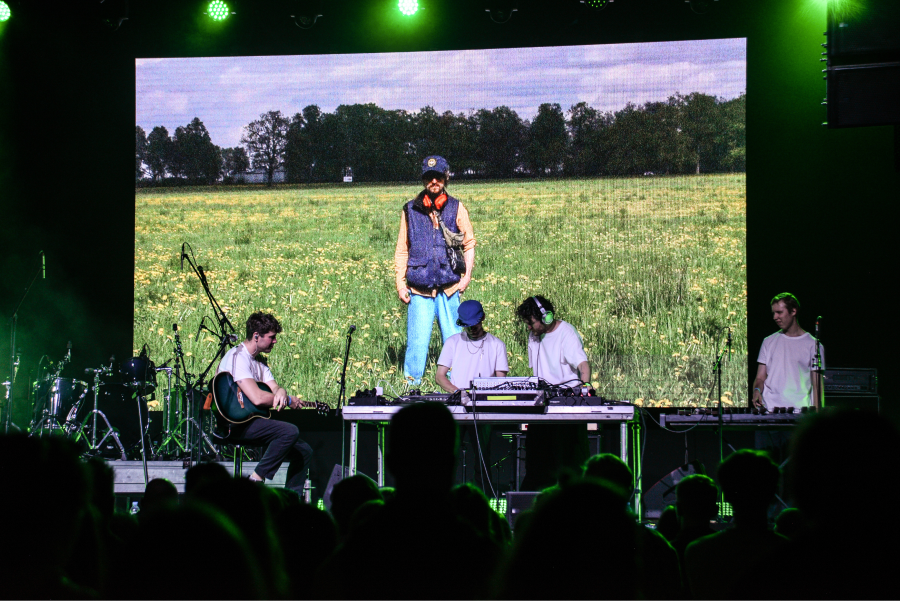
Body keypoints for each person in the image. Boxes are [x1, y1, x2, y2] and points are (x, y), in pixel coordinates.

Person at [395, 155, 476, 385]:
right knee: (417, 342)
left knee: (454, 339)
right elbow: (402, 249)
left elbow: (469, 243)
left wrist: (466, 277)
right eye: (429, 177)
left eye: (438, 177)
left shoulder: (457, 207)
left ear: (445, 178)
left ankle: (456, 383)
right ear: (423, 180)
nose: (434, 181)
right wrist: (400, 284)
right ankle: (412, 385)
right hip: (419, 289)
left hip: (450, 287)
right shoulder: (410, 209)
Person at [216, 311, 312, 495]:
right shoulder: (238, 357)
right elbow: (257, 398)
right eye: (271, 337)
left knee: (304, 451)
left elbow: (275, 388)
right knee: (289, 431)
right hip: (235, 425)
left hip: (251, 422)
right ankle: (255, 480)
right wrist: (287, 400)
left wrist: (282, 392)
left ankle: (292, 497)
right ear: (256, 336)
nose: (275, 341)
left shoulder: (259, 361)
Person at [516, 295, 591, 490]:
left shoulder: (566, 333)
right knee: (536, 464)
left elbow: (582, 364)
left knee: (567, 463)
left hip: (565, 407)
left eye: (531, 323)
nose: (529, 328)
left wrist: (585, 386)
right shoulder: (534, 335)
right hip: (541, 406)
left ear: (546, 317)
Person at [436, 299, 508, 489]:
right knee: (449, 457)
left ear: (482, 318)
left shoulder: (496, 345)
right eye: (467, 325)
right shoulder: (453, 342)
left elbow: (501, 381)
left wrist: (486, 395)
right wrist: (457, 392)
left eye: (474, 324)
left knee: (483, 459)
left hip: (483, 409)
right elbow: (440, 376)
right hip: (457, 408)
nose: (472, 329)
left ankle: (483, 497)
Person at [752, 292, 824, 412]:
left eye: (779, 312)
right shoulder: (768, 341)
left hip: (798, 412)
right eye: (773, 313)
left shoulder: (814, 345)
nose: (775, 317)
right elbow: (760, 378)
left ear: (793, 311)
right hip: (769, 411)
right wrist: (756, 390)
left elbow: (817, 387)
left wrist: (817, 417)